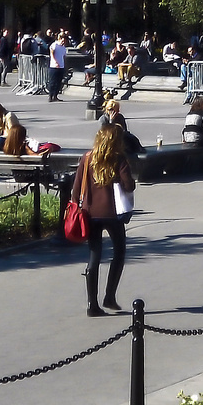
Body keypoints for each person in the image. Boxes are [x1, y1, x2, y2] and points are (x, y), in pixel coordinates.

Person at [71, 123, 136, 316]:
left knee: (94, 255)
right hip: (113, 214)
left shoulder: (87, 158)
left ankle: (92, 304)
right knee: (119, 252)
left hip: (90, 214)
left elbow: (76, 189)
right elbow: (129, 186)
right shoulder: (119, 159)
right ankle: (109, 296)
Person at [47, 31, 68, 102]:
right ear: (60, 38)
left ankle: (55, 96)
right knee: (52, 82)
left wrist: (64, 64)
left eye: (64, 40)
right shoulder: (54, 44)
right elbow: (51, 53)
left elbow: (64, 56)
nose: (63, 41)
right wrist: (55, 61)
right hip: (54, 66)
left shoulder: (63, 48)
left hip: (61, 66)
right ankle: (50, 96)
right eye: (63, 40)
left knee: (59, 82)